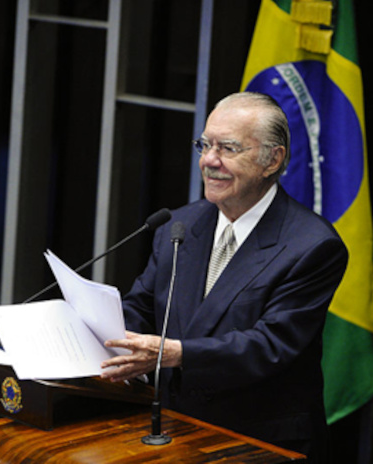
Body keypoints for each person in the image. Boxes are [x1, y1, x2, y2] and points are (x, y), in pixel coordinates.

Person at [101, 91, 348, 462]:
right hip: (170, 429)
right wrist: (101, 337)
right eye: (205, 144)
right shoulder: (180, 225)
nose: (209, 161)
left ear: (272, 160)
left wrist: (175, 354)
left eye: (228, 148)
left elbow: (270, 346)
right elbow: (143, 306)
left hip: (257, 442)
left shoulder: (312, 246)